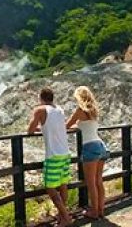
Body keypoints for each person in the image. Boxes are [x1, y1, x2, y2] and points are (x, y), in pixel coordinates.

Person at [28, 87, 72, 227]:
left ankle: (66, 217)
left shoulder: (40, 110)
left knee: (50, 188)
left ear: (41, 98)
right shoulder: (59, 109)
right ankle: (62, 216)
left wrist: (36, 126)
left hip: (53, 155)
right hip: (65, 152)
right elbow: (53, 126)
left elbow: (29, 130)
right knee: (63, 185)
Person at [66, 86, 108, 219]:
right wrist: (77, 126)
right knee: (98, 181)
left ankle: (94, 212)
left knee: (91, 183)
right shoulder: (94, 111)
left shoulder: (79, 110)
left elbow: (66, 126)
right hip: (100, 145)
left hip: (89, 147)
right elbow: (85, 125)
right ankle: (101, 210)